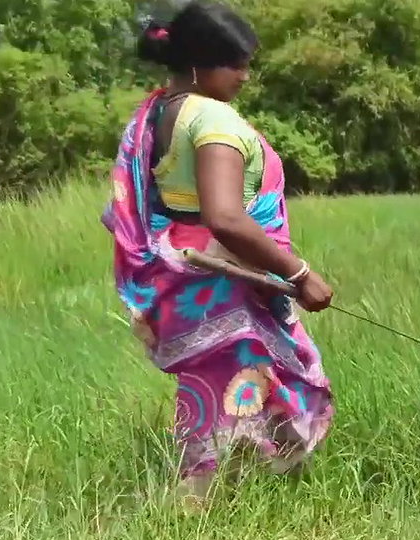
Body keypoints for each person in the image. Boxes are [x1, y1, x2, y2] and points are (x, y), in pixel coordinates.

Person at [101, 0, 336, 502]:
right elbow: (226, 217)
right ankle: (210, 503)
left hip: (184, 269)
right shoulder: (212, 120)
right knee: (258, 383)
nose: (245, 75)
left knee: (215, 389)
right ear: (197, 63)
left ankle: (229, 498)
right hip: (221, 274)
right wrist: (300, 273)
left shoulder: (161, 110)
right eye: (235, 63)